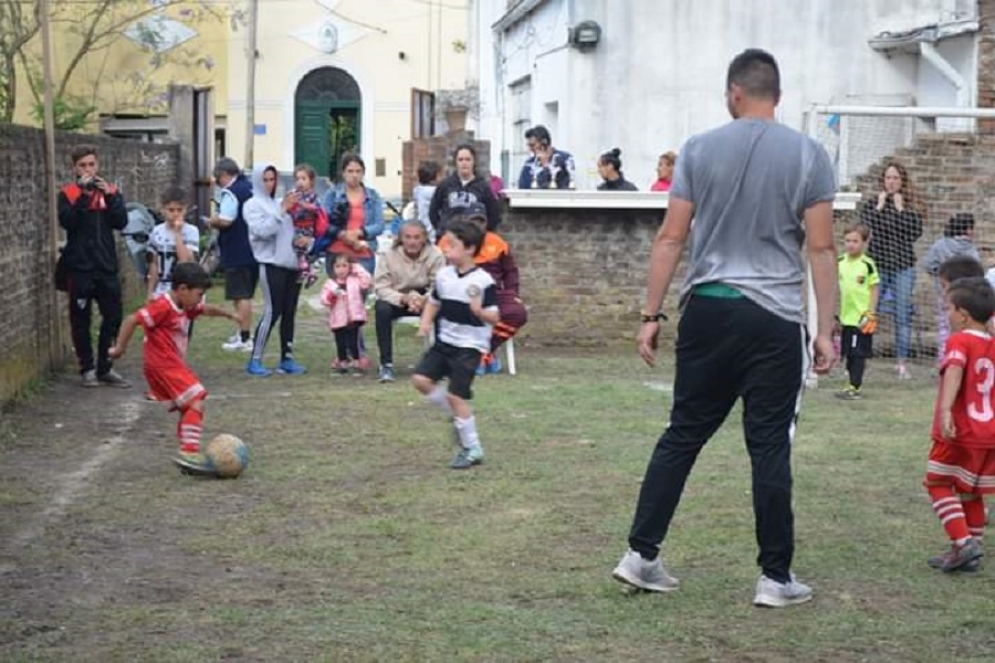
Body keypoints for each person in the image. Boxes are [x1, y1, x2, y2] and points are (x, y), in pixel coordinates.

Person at [610, 49, 838, 608]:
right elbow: (822, 246)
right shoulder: (810, 155)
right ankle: (774, 578)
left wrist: (650, 316)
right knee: (768, 447)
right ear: (776, 96)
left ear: (734, 93)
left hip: (709, 309)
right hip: (774, 317)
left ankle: (640, 556)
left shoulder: (697, 149)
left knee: (682, 432)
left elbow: (670, 237)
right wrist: (826, 329)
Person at [108, 262, 242, 476]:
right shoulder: (163, 306)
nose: (200, 300)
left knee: (188, 407)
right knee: (196, 398)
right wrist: (119, 349)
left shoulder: (184, 306)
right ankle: (189, 452)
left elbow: (205, 309)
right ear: (182, 289)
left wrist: (228, 314)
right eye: (199, 294)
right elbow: (132, 319)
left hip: (171, 365)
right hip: (163, 365)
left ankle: (186, 455)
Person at [411, 218, 500, 470]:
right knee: (420, 380)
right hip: (445, 342)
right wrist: (425, 323)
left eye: (452, 245)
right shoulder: (444, 275)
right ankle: (453, 414)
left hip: (470, 347)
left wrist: (480, 312)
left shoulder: (484, 281)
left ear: (470, 248)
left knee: (456, 395)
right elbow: (434, 302)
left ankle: (473, 448)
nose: (446, 249)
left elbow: (495, 316)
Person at [923, 276, 995, 572]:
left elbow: (955, 369)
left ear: (963, 313)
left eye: (948, 308)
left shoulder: (960, 340)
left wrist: (946, 411)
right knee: (970, 491)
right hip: (988, 432)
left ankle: (963, 542)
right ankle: (968, 552)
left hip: (961, 431)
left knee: (937, 483)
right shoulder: (992, 343)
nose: (947, 314)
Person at [57, 144, 131, 388]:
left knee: (113, 316)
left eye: (91, 164)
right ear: (75, 168)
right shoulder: (67, 193)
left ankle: (105, 365)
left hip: (106, 266)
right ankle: (87, 367)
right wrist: (82, 197)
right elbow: (68, 223)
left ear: (97, 165)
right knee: (81, 319)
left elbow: (121, 222)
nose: (88, 169)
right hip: (80, 268)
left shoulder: (110, 191)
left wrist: (109, 196)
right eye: (82, 166)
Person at [438, 203, 527, 375]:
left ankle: (483, 351)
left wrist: (513, 293)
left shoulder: (498, 243)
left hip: (494, 293)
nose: (477, 225)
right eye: (473, 221)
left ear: (486, 223)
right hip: (460, 293)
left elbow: (510, 272)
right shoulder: (448, 242)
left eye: (481, 221)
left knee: (517, 313)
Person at [860, 161, 925, 380]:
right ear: (883, 180)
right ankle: (862, 358)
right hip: (877, 265)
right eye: (888, 177)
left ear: (902, 181)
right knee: (870, 312)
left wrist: (900, 209)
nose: (892, 182)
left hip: (902, 266)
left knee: (902, 315)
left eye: (896, 178)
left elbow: (914, 233)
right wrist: (879, 206)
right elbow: (865, 231)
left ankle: (901, 363)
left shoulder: (911, 205)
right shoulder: (872, 204)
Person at [244, 164, 307, 377]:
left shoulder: (279, 203)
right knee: (273, 311)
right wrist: (282, 211)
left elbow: (290, 232)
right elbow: (262, 231)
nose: (270, 184)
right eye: (266, 180)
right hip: (270, 264)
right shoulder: (252, 205)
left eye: (272, 179)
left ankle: (287, 357)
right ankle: (255, 358)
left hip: (291, 264)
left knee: (289, 312)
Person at [373, 220, 446, 383]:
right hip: (397, 296)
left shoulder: (436, 254)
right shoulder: (388, 254)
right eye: (408, 237)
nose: (412, 242)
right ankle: (386, 364)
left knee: (444, 308)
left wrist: (424, 299)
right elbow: (381, 287)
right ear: (400, 239)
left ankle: (440, 362)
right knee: (381, 308)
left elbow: (439, 284)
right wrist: (403, 298)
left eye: (416, 237)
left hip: (425, 297)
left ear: (424, 239)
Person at [209, 157, 256, 352]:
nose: (218, 183)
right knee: (246, 294)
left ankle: (244, 337)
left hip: (237, 249)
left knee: (240, 295)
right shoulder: (250, 187)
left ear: (224, 175)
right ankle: (243, 332)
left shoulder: (231, 192)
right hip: (254, 249)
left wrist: (212, 221)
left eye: (218, 179)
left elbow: (226, 220)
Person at [924, 213, 980, 362]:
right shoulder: (971, 250)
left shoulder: (940, 245)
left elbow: (928, 265)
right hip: (966, 296)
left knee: (944, 327)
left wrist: (940, 274)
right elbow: (976, 273)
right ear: (968, 230)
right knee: (965, 327)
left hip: (944, 294)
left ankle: (944, 359)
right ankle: (962, 358)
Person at [320, 153, 384, 278]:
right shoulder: (332, 194)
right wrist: (343, 235)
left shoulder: (373, 196)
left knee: (359, 295)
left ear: (363, 173)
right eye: (350, 171)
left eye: (358, 171)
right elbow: (323, 222)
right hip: (337, 253)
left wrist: (359, 233)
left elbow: (380, 225)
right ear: (343, 173)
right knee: (337, 295)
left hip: (363, 252)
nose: (354, 175)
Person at [836, 223, 880, 401]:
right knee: (847, 352)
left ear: (864, 242)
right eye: (847, 241)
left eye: (855, 241)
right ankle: (849, 383)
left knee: (857, 353)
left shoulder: (867, 264)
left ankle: (854, 385)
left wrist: (871, 312)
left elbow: (874, 288)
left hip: (860, 318)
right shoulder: (839, 262)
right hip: (846, 317)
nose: (850, 244)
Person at [428, 144, 502, 239]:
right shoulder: (446, 184)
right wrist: (441, 229)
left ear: (473, 162)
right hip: (448, 238)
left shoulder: (483, 186)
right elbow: (433, 211)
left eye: (468, 159)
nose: (464, 163)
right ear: (456, 162)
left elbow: (494, 215)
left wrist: (481, 234)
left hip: (472, 240)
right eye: (460, 160)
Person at [320, 255, 373, 376]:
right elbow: (324, 300)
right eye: (338, 266)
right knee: (340, 342)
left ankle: (356, 362)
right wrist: (332, 296)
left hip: (354, 317)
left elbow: (367, 281)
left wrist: (357, 267)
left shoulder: (355, 280)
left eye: (345, 266)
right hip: (338, 319)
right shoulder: (330, 283)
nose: (341, 269)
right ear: (332, 268)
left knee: (353, 341)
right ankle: (342, 361)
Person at [146, 186, 200, 300]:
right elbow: (153, 264)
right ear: (163, 210)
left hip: (183, 290)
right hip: (161, 289)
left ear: (185, 209)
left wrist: (178, 234)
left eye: (179, 210)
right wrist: (150, 291)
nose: (175, 214)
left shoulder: (191, 231)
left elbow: (185, 262)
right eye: (171, 210)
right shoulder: (156, 231)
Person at [284, 164, 327, 289]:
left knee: (301, 247)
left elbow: (316, 208)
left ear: (311, 181)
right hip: (296, 226)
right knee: (298, 249)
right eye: (297, 179)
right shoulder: (295, 194)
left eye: (303, 179)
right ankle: (307, 272)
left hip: (307, 227)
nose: (300, 182)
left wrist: (305, 205)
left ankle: (307, 271)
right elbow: (290, 209)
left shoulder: (313, 196)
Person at [517, 125, 575, 190]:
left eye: (533, 145)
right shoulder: (529, 163)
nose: (530, 149)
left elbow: (565, 186)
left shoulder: (564, 160)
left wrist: (546, 166)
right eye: (529, 145)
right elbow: (522, 186)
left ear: (544, 143)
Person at [410, 160, 441, 244]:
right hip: (432, 232)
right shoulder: (433, 192)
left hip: (421, 229)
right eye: (439, 175)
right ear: (433, 178)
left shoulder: (418, 190)